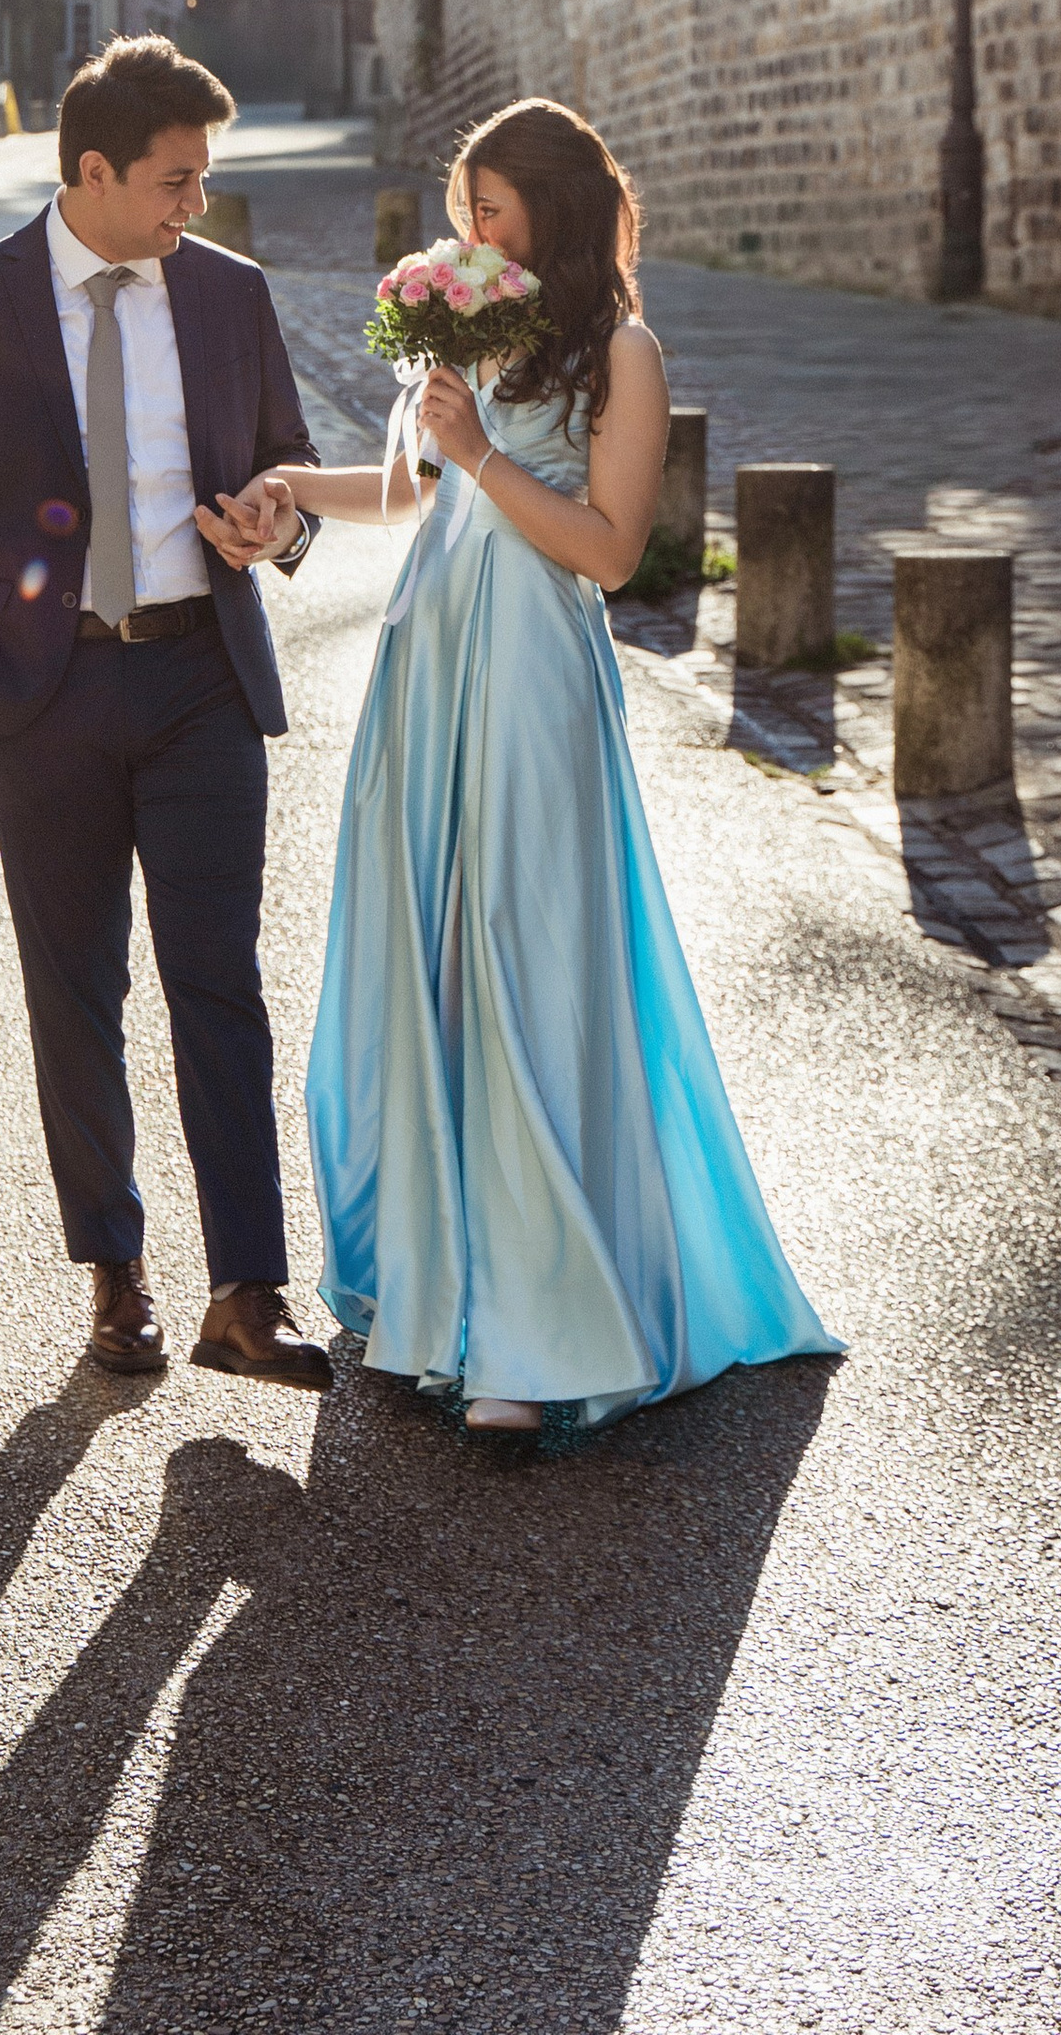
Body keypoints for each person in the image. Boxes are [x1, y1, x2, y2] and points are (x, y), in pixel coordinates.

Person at [274, 96, 838, 1434]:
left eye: (493, 210)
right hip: (431, 663)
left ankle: (536, 1339)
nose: (473, 234)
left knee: (523, 955)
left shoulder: (620, 351)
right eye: (466, 212)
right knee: (434, 961)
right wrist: (294, 487)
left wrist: (474, 449)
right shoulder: (480, 329)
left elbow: (606, 548)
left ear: (556, 211)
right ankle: (444, 1298)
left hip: (530, 672)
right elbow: (419, 490)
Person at [0, 33, 335, 1391]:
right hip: (45, 696)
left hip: (202, 675)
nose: (195, 203)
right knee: (74, 988)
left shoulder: (228, 299)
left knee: (221, 984)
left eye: (205, 180)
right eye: (176, 179)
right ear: (95, 171)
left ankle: (247, 1294)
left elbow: (291, 480)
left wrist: (277, 525)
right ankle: (117, 1278)